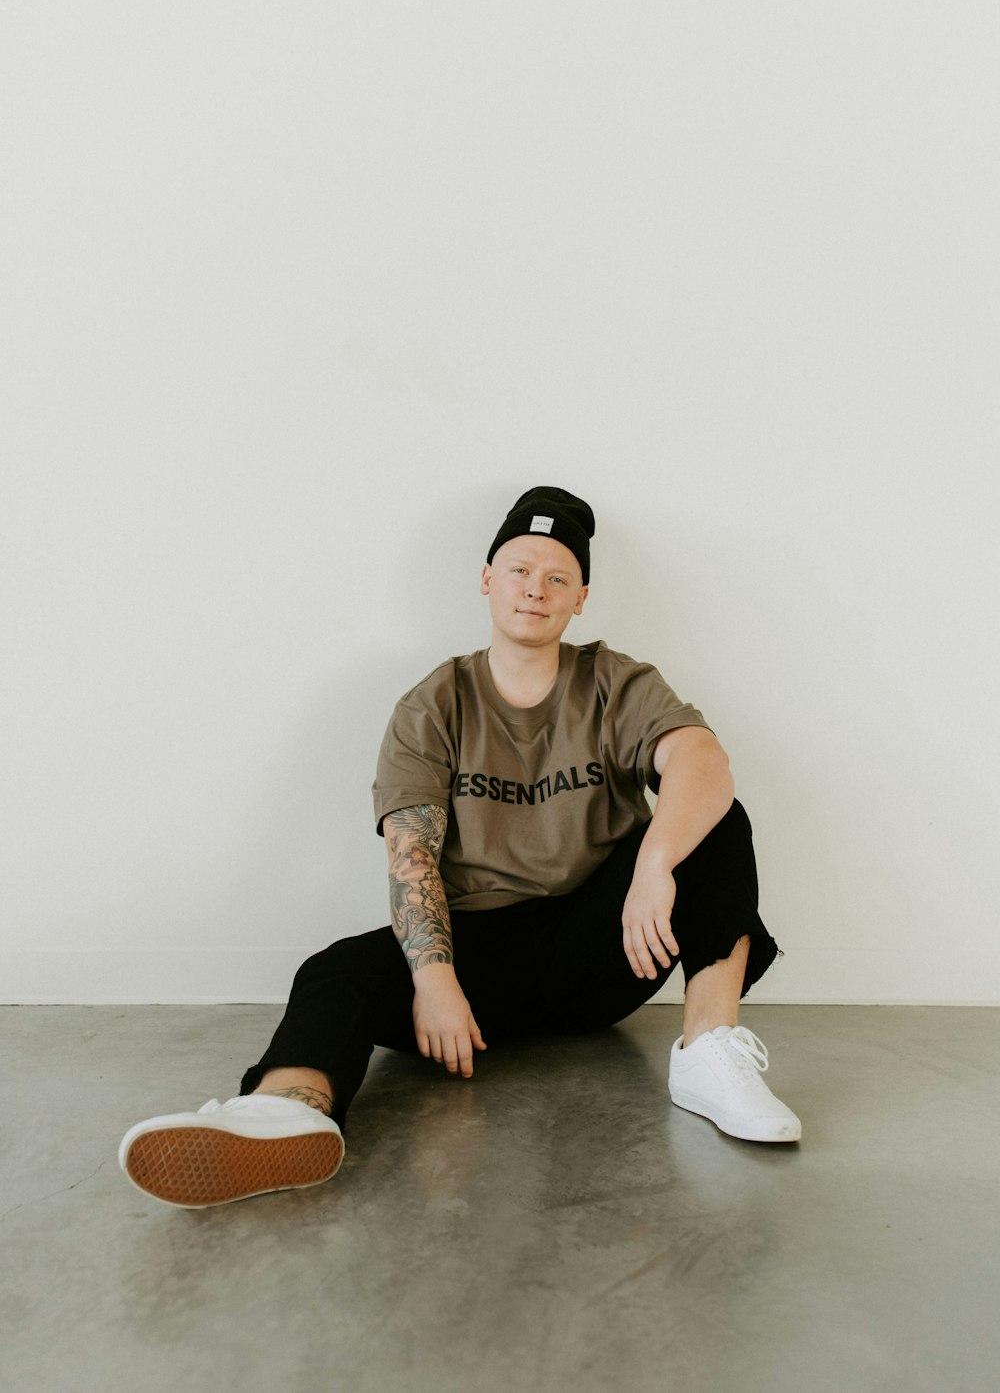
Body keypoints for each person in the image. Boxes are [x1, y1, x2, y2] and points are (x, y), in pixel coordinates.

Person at [119, 486, 800, 1209]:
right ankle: (285, 1113)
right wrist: (435, 979)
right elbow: (410, 857)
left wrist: (655, 866)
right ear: (486, 579)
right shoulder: (435, 703)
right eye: (518, 570)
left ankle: (707, 1052)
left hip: (602, 946)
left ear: (581, 598)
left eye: (557, 578)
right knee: (334, 972)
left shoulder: (613, 681)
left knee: (718, 819)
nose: (535, 590)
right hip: (476, 961)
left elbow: (702, 761)